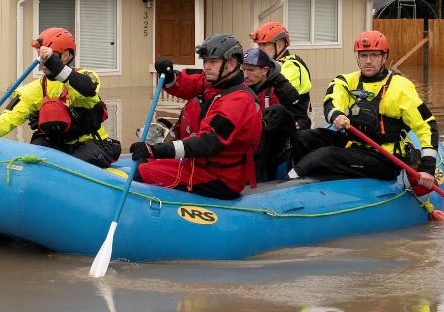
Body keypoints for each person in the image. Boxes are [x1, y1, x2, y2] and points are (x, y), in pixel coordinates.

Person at [290, 30, 438, 191]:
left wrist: (428, 168)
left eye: (374, 55)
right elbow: (332, 100)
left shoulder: (401, 87)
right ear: (358, 58)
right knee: (302, 137)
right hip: (353, 144)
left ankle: (291, 181)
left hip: (385, 158)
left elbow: (427, 126)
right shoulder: (346, 80)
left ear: (384, 57)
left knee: (325, 155)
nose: (368, 61)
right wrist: (337, 115)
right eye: (363, 56)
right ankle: (308, 181)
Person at [0, 27, 120, 168]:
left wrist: (55, 65)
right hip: (55, 144)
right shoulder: (35, 89)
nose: (42, 63)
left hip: (89, 144)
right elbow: (8, 118)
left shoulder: (85, 77)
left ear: (65, 56)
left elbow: (87, 89)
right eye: (40, 57)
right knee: (38, 146)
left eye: (47, 58)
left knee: (81, 162)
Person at [130, 34, 261, 200]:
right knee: (145, 162)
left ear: (232, 64)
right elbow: (189, 83)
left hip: (221, 177)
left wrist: (156, 150)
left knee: (142, 172)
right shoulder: (217, 83)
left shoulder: (239, 101)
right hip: (203, 165)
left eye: (212, 62)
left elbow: (207, 142)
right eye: (205, 61)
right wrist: (170, 76)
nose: (206, 67)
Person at [242, 48, 306, 182]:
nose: (246, 75)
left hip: (277, 142)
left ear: (265, 70)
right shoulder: (244, 86)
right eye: (244, 69)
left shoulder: (282, 89)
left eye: (251, 70)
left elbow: (302, 120)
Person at [250, 22, 312, 127]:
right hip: (270, 123)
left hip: (293, 127)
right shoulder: (268, 64)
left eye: (264, 44)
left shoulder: (293, 65)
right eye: (259, 45)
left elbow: (269, 86)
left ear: (278, 46)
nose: (259, 50)